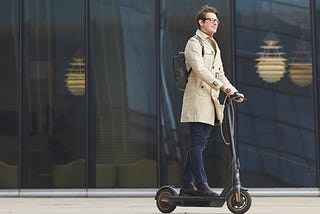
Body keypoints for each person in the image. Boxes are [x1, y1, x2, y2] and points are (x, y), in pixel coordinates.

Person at [179, 5, 244, 197]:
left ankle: (186, 184)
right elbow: (200, 70)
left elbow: (220, 73)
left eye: (217, 20)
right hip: (197, 100)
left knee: (198, 144)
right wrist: (221, 87)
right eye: (211, 20)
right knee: (198, 143)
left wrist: (233, 90)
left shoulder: (213, 45)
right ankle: (201, 184)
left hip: (210, 101)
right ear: (201, 22)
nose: (215, 23)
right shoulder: (194, 43)